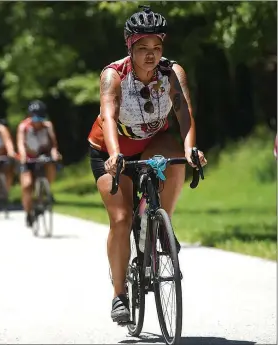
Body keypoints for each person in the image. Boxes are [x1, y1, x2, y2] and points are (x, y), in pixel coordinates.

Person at [87, 5, 208, 324]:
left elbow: (184, 114)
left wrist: (191, 148)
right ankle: (118, 295)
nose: (151, 55)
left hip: (154, 141)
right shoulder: (113, 75)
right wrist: (114, 154)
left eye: (156, 48)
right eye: (143, 49)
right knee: (121, 219)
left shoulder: (171, 72)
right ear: (130, 47)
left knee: (177, 160)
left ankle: (162, 225)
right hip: (110, 148)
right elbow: (109, 116)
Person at [16, 100, 62, 227]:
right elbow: (20, 143)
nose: (37, 121)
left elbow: (53, 144)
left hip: (43, 156)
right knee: (27, 185)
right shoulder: (23, 127)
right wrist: (24, 157)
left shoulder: (47, 126)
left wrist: (54, 153)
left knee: (51, 165)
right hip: (29, 157)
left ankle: (47, 190)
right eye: (34, 117)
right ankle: (28, 212)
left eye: (39, 117)